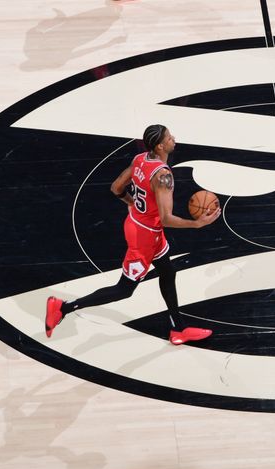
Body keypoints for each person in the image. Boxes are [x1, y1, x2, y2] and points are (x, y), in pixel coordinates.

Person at [45, 124, 221, 345]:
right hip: (144, 237)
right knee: (124, 290)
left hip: (141, 225)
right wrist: (197, 224)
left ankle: (178, 329)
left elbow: (116, 187)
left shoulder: (140, 159)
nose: (173, 138)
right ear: (160, 145)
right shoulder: (163, 176)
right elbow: (166, 218)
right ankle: (63, 308)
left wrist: (133, 204)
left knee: (168, 271)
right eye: (169, 137)